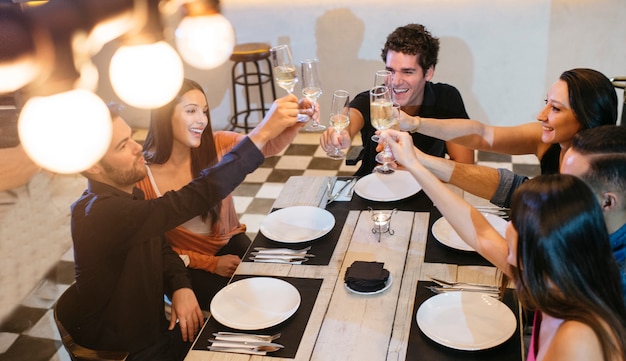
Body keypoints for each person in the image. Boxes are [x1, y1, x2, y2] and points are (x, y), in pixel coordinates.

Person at [70, 101, 303, 361]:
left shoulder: (128, 194)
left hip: (160, 335)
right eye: (123, 146)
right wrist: (260, 136)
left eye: (132, 137)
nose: (138, 148)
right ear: (94, 167)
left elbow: (160, 246)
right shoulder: (101, 213)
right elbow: (192, 198)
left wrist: (179, 285)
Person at [385, 129, 626, 361]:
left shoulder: (578, 340)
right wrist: (414, 164)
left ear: (606, 203)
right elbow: (482, 236)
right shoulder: (564, 267)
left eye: (570, 185)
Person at [137, 79, 306, 309]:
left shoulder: (216, 143)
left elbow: (264, 147)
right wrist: (211, 263)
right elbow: (156, 250)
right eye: (191, 111)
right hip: (186, 263)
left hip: (228, 241)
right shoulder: (143, 176)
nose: (202, 120)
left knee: (276, 283)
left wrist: (292, 125)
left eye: (204, 111)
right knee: (238, 307)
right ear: (164, 116)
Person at [394, 68, 617, 207]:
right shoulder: (545, 139)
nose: (541, 116)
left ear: (586, 118)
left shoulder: (594, 176)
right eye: (545, 103)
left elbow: (517, 192)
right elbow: (483, 135)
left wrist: (418, 160)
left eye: (556, 109)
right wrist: (414, 124)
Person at [319, 23, 474, 175]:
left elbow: (465, 166)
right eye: (390, 71)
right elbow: (350, 118)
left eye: (407, 72)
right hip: (374, 186)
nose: (395, 81)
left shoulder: (446, 98)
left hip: (428, 191)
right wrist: (340, 134)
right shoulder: (372, 100)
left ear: (428, 73)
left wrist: (414, 170)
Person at [561, 125, 626, 299]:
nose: (557, 193)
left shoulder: (616, 280)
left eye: (570, 188)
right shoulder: (592, 229)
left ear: (607, 202)